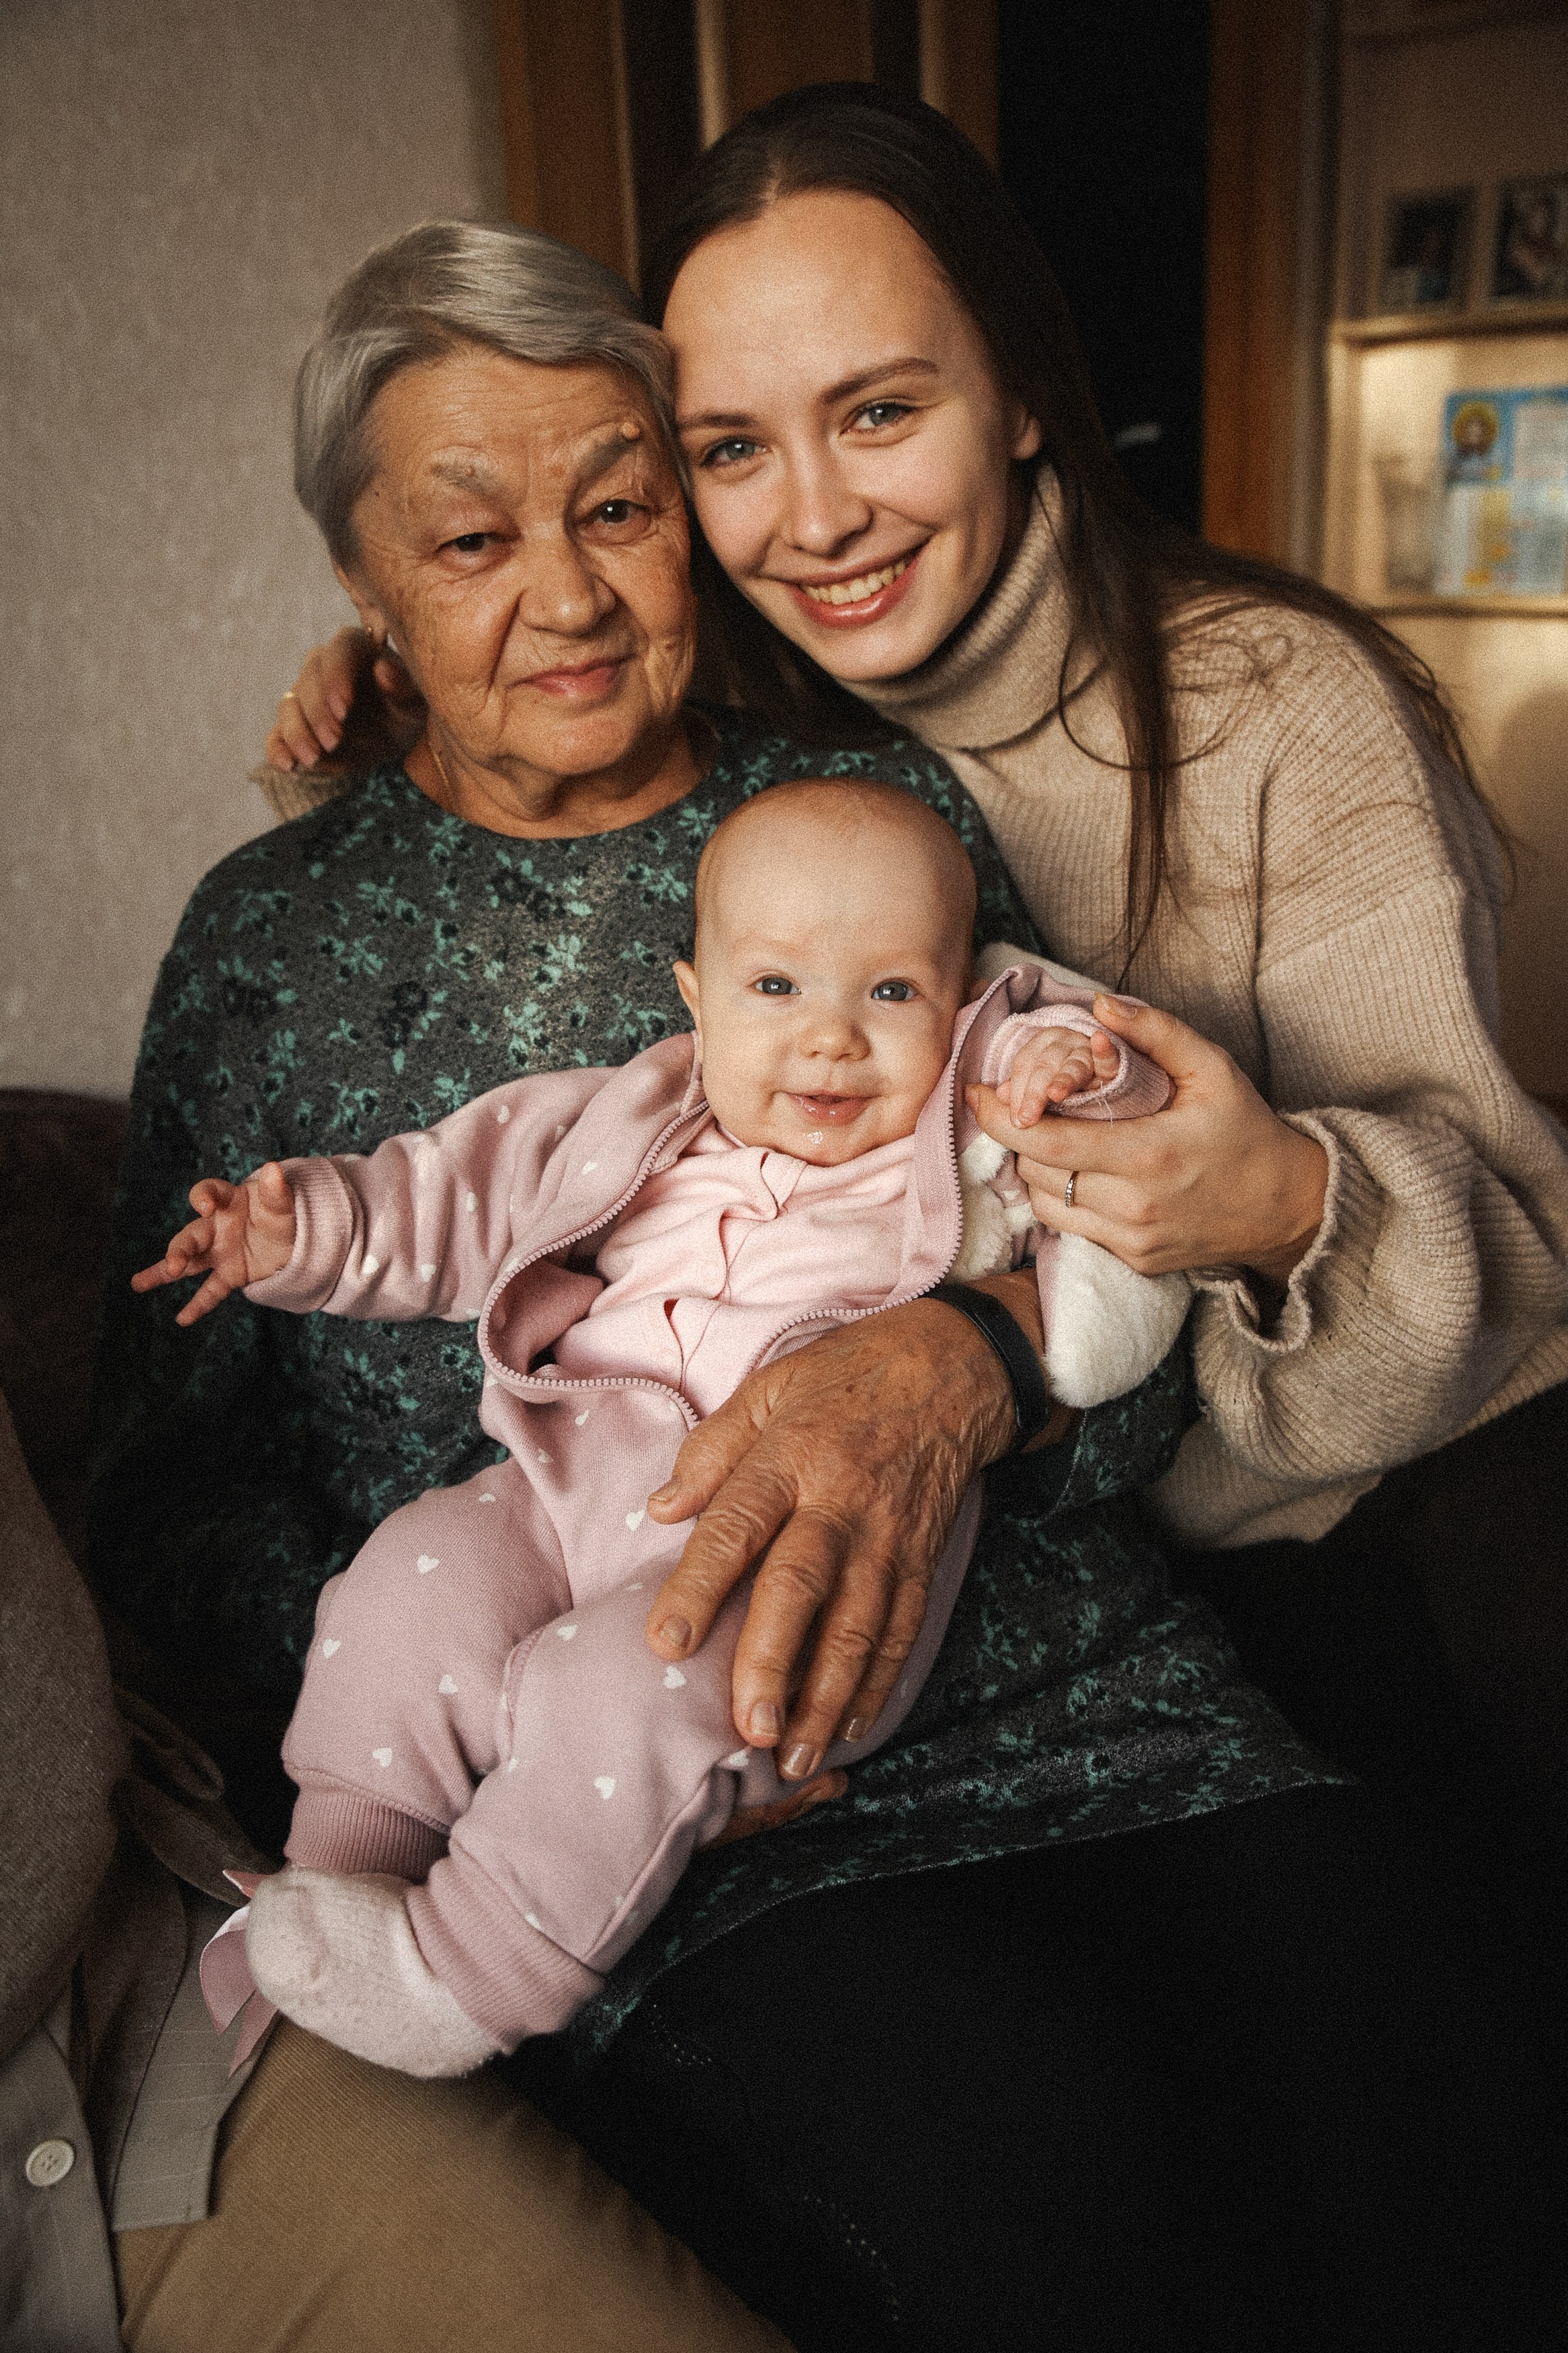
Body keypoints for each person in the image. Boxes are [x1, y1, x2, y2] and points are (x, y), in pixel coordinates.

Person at [113, 212, 1560, 2348]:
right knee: (1064, 2205)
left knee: (1457, 2120)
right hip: (628, 1786)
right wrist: (486, 1685)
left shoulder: (869, 801)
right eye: (470, 540)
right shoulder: (269, 936)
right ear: (364, 582)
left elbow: (1125, 1301)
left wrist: (962, 1357)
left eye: (620, 508)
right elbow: (158, 1486)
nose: (566, 595)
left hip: (1081, 1680)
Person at [132, 783, 1179, 2074]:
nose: (831, 1040)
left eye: (892, 993)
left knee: (619, 1688)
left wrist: (1079, 1073)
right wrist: (307, 1229)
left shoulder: (965, 1139)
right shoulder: (637, 1113)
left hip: (792, 1540)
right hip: (561, 1478)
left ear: (961, 1003)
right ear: (696, 998)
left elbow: (1130, 1149)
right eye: (775, 988)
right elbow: (460, 1193)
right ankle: (338, 1878)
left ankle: (463, 1980)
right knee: (410, 1582)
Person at [0, 1390, 790, 2353]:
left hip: (140, 1976)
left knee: (618, 1669)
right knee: (421, 1583)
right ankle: (357, 1871)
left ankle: (445, 1970)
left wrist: (959, 1350)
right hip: (585, 1487)